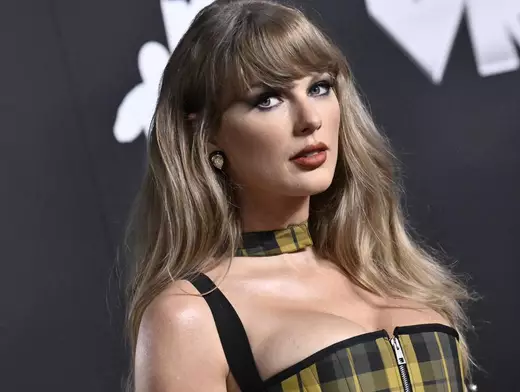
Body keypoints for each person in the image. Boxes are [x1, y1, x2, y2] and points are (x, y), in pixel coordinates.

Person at [124, 1, 473, 391]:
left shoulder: (391, 269)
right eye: (267, 99)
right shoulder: (191, 314)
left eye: (319, 87)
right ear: (205, 134)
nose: (311, 119)